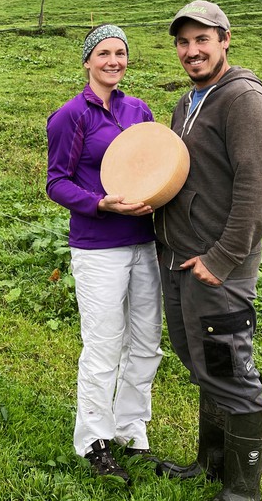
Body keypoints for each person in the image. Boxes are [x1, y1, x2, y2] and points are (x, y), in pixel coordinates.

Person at [153, 1, 262, 500]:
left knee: (230, 370)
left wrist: (222, 258)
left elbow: (257, 188)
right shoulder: (188, 102)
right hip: (182, 260)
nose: (191, 51)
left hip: (217, 268)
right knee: (201, 361)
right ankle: (209, 465)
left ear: (226, 39)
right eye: (183, 42)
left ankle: (242, 491)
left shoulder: (243, 100)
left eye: (202, 40)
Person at [46, 24, 164, 484]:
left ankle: (131, 431)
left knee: (146, 343)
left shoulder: (139, 110)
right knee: (103, 345)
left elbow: (156, 163)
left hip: (143, 241)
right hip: (98, 247)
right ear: (88, 61)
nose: (114, 61)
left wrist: (159, 194)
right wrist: (99, 202)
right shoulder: (71, 116)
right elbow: (57, 181)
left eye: (120, 53)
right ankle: (92, 440)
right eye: (104, 53)